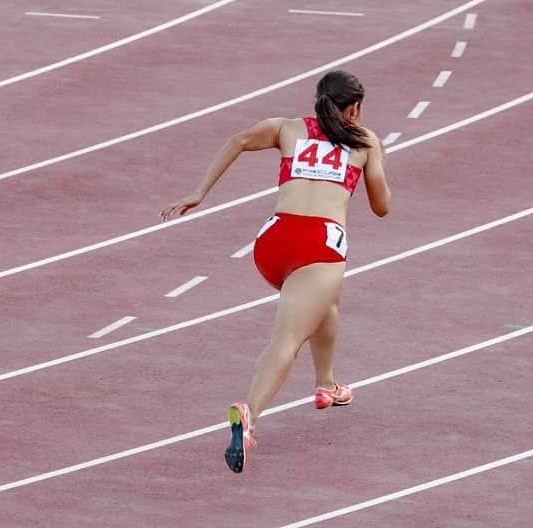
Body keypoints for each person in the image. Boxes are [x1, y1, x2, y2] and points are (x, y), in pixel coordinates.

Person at [160, 70, 390, 474]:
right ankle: (249, 415)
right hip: (319, 243)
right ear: (354, 109)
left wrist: (199, 193)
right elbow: (381, 206)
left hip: (273, 240)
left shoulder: (287, 128)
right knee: (287, 337)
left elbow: (238, 140)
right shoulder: (365, 140)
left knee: (324, 307)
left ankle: (327, 385)